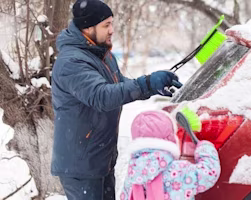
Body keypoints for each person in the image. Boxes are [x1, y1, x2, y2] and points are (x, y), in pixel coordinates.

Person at [50, 0, 182, 199]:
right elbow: (101, 96)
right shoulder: (72, 62)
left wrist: (151, 85)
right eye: (106, 25)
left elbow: (118, 85)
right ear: (87, 27)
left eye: (112, 23)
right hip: (81, 168)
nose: (112, 30)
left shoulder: (101, 54)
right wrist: (145, 83)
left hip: (100, 160)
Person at [120, 110, 221, 200]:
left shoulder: (132, 175)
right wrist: (205, 148)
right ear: (170, 139)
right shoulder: (177, 171)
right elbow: (208, 173)